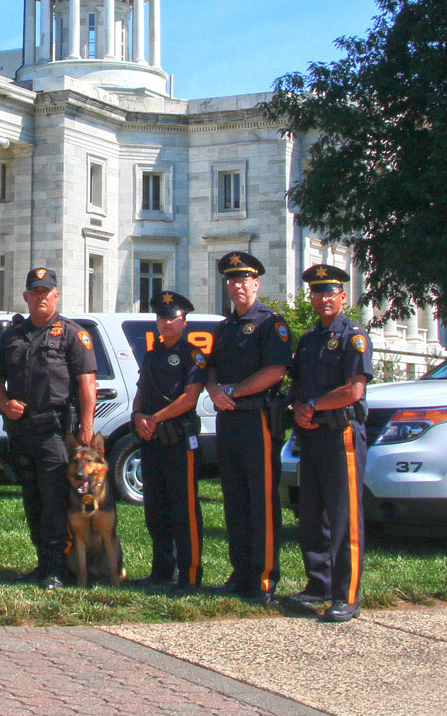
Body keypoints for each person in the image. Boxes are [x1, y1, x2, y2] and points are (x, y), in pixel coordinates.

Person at [0, 266, 97, 589]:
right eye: (34, 293)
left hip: (55, 433)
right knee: (32, 500)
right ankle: (42, 563)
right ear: (26, 297)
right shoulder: (12, 336)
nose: (40, 298)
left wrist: (87, 425)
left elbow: (87, 383)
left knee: (54, 502)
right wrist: (5, 403)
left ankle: (58, 569)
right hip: (21, 432)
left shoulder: (72, 334)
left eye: (45, 292)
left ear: (56, 295)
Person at [285, 263, 373, 622]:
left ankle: (346, 596)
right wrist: (298, 409)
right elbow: (298, 386)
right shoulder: (309, 340)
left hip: (341, 436)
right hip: (312, 435)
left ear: (343, 297)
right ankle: (319, 583)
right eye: (317, 292)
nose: (323, 298)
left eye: (329, 292)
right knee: (312, 514)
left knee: (343, 517)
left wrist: (313, 406)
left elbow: (354, 391)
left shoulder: (354, 336)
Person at [204, 251, 290, 604]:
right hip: (229, 419)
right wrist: (214, 390)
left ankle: (264, 577)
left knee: (261, 500)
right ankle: (240, 574)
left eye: (243, 280)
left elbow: (276, 371)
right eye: (231, 281)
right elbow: (211, 368)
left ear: (256, 284)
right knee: (235, 499)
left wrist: (234, 392)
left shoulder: (271, 324)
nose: (237, 286)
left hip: (258, 420)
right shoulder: (225, 328)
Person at [130, 290, 208, 592]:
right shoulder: (152, 354)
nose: (166, 323)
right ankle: (161, 570)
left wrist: (155, 418)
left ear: (184, 322)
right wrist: (138, 416)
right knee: (156, 508)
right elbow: (141, 389)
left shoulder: (193, 354)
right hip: (152, 440)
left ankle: (189, 575)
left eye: (172, 318)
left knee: (183, 509)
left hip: (178, 440)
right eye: (161, 318)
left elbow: (189, 397)